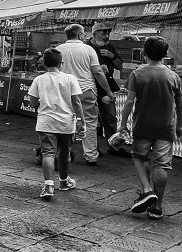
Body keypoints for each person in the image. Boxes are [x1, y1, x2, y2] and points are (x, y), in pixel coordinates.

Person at [119, 36, 182, 221]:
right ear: (165, 55)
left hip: (143, 125)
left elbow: (130, 101)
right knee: (162, 164)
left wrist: (123, 125)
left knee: (139, 156)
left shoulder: (138, 74)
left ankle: (147, 190)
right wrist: (179, 126)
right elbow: (180, 105)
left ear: (144, 53)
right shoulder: (173, 76)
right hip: (166, 127)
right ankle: (157, 207)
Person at [26, 48, 86, 199]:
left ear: (44, 64)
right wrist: (82, 121)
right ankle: (64, 181)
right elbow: (77, 102)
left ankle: (48, 186)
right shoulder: (70, 79)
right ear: (61, 63)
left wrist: (42, 104)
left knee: (48, 153)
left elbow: (33, 102)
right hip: (66, 122)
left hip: (46, 122)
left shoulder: (38, 80)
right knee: (64, 154)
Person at [55, 23, 113, 165]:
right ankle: (91, 155)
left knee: (65, 121)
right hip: (86, 90)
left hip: (65, 91)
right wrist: (108, 91)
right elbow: (98, 72)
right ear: (80, 35)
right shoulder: (88, 50)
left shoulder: (58, 50)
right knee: (90, 123)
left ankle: (64, 152)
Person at [88, 24, 126, 156]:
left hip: (107, 87)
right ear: (94, 33)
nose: (106, 36)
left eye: (108, 33)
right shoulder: (86, 47)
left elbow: (120, 66)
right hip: (91, 86)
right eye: (103, 33)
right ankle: (93, 147)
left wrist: (112, 56)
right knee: (93, 120)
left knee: (110, 118)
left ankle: (115, 147)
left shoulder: (109, 47)